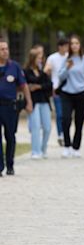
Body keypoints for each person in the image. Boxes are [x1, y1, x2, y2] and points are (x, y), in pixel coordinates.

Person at [58, 35, 84, 158]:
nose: (74, 45)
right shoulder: (66, 59)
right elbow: (61, 76)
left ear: (80, 45)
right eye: (72, 43)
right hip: (67, 93)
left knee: (79, 121)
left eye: (76, 43)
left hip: (82, 93)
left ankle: (76, 147)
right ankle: (67, 146)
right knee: (66, 119)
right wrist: (67, 68)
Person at [0, 38, 32, 176]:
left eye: (6, 48)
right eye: (2, 49)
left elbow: (23, 85)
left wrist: (28, 101)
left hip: (10, 106)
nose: (5, 51)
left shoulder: (15, 67)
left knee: (10, 136)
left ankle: (10, 164)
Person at [24, 47, 53, 159]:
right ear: (33, 59)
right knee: (35, 126)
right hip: (33, 102)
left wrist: (38, 86)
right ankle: (35, 151)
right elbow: (30, 83)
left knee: (47, 127)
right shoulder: (26, 72)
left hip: (44, 101)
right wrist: (38, 84)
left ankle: (43, 148)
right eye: (39, 58)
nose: (41, 60)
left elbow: (49, 85)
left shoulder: (42, 72)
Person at [44, 37, 68, 146]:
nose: (67, 48)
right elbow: (46, 72)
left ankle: (66, 132)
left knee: (67, 114)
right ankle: (60, 134)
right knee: (59, 113)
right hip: (56, 88)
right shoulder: (52, 58)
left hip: (68, 88)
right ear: (60, 47)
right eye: (65, 46)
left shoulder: (70, 57)